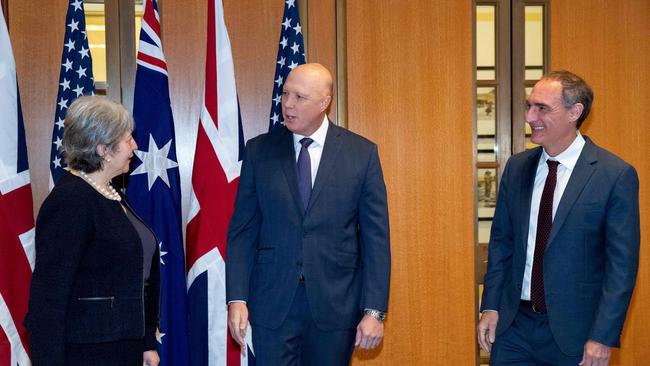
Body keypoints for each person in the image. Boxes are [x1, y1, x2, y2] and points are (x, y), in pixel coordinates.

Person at [226, 63, 391, 365]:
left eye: (299, 97)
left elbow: (376, 240)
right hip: (272, 304)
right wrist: (236, 298)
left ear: (324, 101)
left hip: (335, 305)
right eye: (285, 94)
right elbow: (243, 230)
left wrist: (374, 311)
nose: (287, 104)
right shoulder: (259, 151)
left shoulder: (361, 154)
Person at [478, 71, 640, 365]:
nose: (530, 116)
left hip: (575, 335)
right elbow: (502, 244)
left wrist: (602, 336)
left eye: (542, 108)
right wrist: (490, 307)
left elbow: (621, 268)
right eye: (530, 106)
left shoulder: (614, 175)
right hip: (514, 328)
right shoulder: (517, 168)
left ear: (574, 112)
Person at [25, 96, 160, 366]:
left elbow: (133, 278)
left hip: (124, 348)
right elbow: (48, 300)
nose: (134, 145)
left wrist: (146, 342)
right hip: (88, 354)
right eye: (127, 139)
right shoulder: (71, 201)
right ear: (103, 150)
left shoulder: (110, 193)